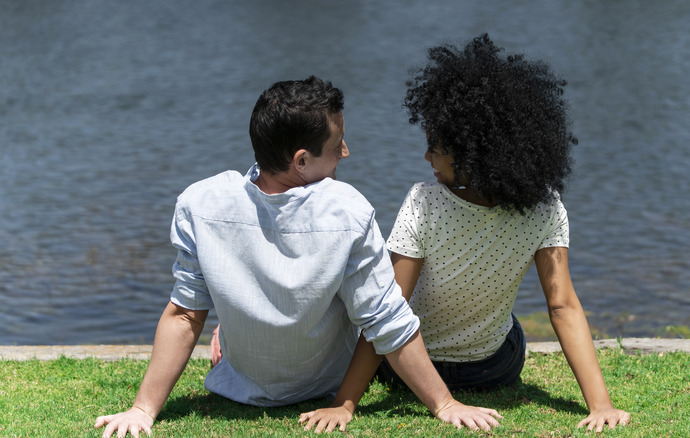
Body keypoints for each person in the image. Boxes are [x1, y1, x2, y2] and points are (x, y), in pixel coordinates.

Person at [94, 76, 501, 438]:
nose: (346, 151)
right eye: (336, 144)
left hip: (239, 385)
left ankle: (230, 335)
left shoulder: (200, 202)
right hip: (325, 385)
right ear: (302, 161)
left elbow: (185, 314)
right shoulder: (347, 208)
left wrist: (143, 409)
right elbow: (385, 318)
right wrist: (445, 404)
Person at [377, 34, 632, 433]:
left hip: (407, 374)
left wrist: (345, 402)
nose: (426, 157)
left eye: (434, 146)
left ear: (467, 152)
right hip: (494, 370)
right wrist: (601, 405)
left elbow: (390, 309)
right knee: (507, 325)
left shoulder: (424, 201)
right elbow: (562, 306)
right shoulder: (545, 206)